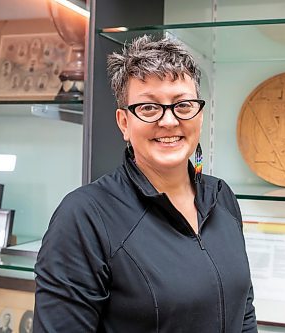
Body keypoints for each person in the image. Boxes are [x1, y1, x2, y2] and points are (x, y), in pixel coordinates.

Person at [33, 35, 257, 332]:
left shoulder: (222, 197)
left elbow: (244, 313)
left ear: (199, 116)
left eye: (183, 104)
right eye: (149, 108)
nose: (169, 121)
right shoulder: (85, 216)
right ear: (124, 122)